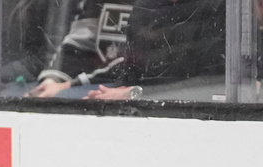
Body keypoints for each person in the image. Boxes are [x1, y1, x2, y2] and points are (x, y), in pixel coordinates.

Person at [25, 0, 226, 100]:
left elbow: (214, 87)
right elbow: (130, 67)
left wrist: (136, 93)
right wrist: (63, 84)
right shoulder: (146, 8)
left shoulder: (219, 8)